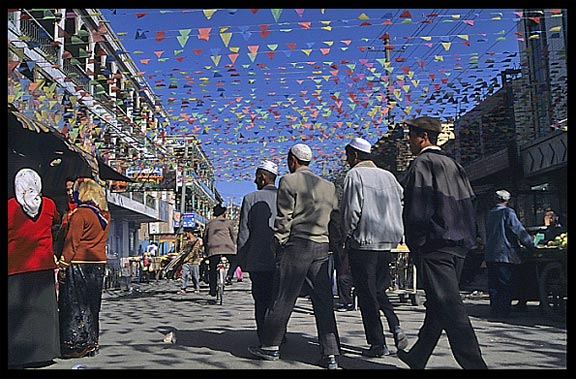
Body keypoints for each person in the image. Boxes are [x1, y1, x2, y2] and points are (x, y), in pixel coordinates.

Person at [398, 116, 488, 369]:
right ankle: (418, 356)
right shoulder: (454, 165)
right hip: (459, 244)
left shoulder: (422, 164)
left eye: (411, 137)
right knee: (438, 304)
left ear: (422, 137)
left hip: (435, 246)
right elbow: (470, 205)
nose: (409, 142)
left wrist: (416, 244)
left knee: (450, 307)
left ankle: (475, 365)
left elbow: (417, 211)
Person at [247, 143, 341, 370]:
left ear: (292, 160)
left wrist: (279, 242)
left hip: (297, 244)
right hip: (322, 246)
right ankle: (330, 354)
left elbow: (284, 217)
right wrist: (336, 244)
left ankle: (270, 346)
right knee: (323, 301)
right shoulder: (328, 186)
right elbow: (336, 218)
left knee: (283, 297)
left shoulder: (288, 181)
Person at [340, 137, 409, 357]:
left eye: (348, 156)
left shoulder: (355, 175)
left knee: (366, 293)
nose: (347, 160)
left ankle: (378, 343)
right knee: (378, 289)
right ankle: (394, 324)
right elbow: (400, 204)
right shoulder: (389, 177)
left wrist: (346, 234)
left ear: (355, 155)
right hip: (387, 242)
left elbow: (352, 211)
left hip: (364, 242)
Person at [8, 168, 61, 368]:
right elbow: (56, 221)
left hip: (16, 266)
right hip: (43, 265)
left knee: (18, 312)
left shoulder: (10, 207)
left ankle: (19, 354)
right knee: (42, 311)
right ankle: (44, 352)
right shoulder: (48, 204)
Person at [57, 177, 111, 359]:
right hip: (98, 264)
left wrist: (63, 264)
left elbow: (72, 243)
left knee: (75, 305)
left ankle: (76, 343)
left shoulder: (80, 214)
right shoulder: (104, 215)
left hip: (80, 262)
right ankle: (92, 341)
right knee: (92, 305)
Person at [236, 160, 279, 345]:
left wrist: (241, 259)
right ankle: (279, 335)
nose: (254, 180)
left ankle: (265, 338)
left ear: (262, 177)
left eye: (256, 177)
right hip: (282, 259)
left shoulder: (250, 198)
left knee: (261, 300)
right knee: (278, 300)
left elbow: (244, 232)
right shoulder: (286, 197)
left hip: (258, 259)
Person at [484, 190, 535, 319]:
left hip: (491, 254)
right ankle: (503, 311)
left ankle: (495, 309)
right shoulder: (508, 212)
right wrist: (531, 245)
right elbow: (518, 230)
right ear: (507, 200)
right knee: (505, 284)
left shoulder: (490, 214)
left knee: (494, 284)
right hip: (505, 254)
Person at [203, 203, 237, 297]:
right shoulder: (228, 222)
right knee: (235, 261)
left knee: (212, 268)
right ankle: (229, 276)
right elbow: (233, 235)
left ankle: (212, 289)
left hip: (213, 248)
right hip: (227, 247)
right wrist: (234, 245)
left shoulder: (209, 223)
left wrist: (206, 248)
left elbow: (205, 237)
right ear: (224, 213)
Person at [179, 227, 204, 294]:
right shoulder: (185, 241)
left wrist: (188, 258)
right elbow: (182, 250)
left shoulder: (196, 241)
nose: (185, 234)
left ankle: (196, 288)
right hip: (185, 261)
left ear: (189, 233)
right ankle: (183, 288)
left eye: (186, 233)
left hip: (194, 261)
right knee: (184, 275)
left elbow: (194, 251)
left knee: (195, 276)